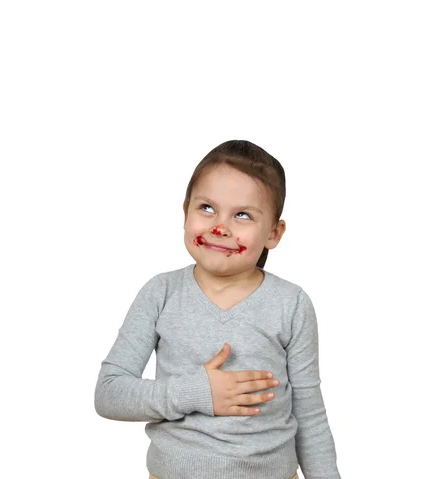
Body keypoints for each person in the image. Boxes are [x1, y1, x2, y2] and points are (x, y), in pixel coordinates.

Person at [94, 140, 341, 479]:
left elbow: (310, 416)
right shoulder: (161, 293)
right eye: (207, 208)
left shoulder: (292, 304)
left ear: (273, 232)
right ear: (185, 213)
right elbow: (109, 393)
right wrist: (197, 392)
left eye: (242, 215)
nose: (220, 226)